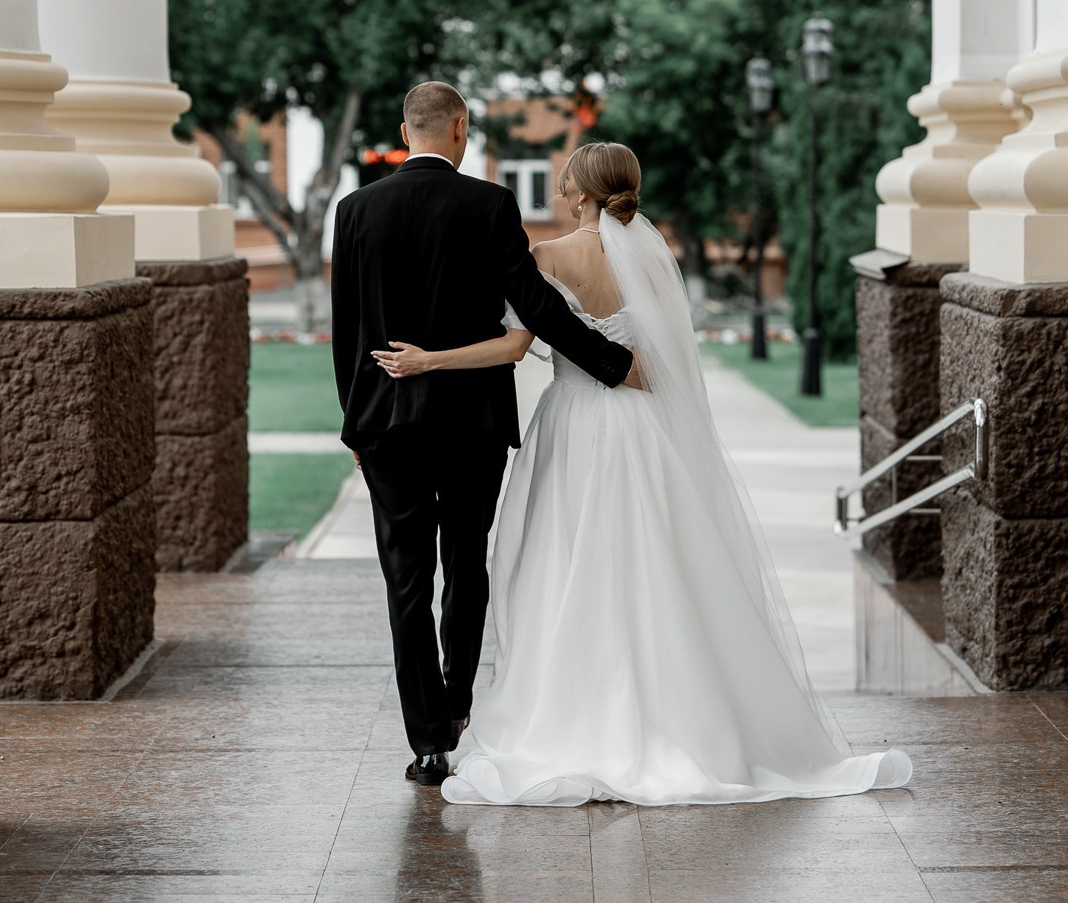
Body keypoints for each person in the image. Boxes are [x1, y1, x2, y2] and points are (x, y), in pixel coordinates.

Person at [373, 140, 913, 808]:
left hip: (570, 426)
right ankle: (673, 716)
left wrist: (428, 361)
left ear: (579, 192)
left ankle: (571, 712)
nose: (557, 190)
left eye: (563, 181)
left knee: (560, 566)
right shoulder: (654, 261)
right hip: (640, 429)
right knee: (653, 567)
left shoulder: (545, 257)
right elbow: (665, 366)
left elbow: (514, 346)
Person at [330, 84, 644, 788]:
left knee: (406, 578)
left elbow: (347, 326)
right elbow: (532, 305)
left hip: (386, 423)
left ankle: (427, 742)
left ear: (403, 129)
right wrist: (610, 363)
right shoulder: (489, 206)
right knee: (465, 563)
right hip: (470, 422)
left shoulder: (354, 212)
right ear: (460, 129)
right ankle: (458, 704)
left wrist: (355, 419)